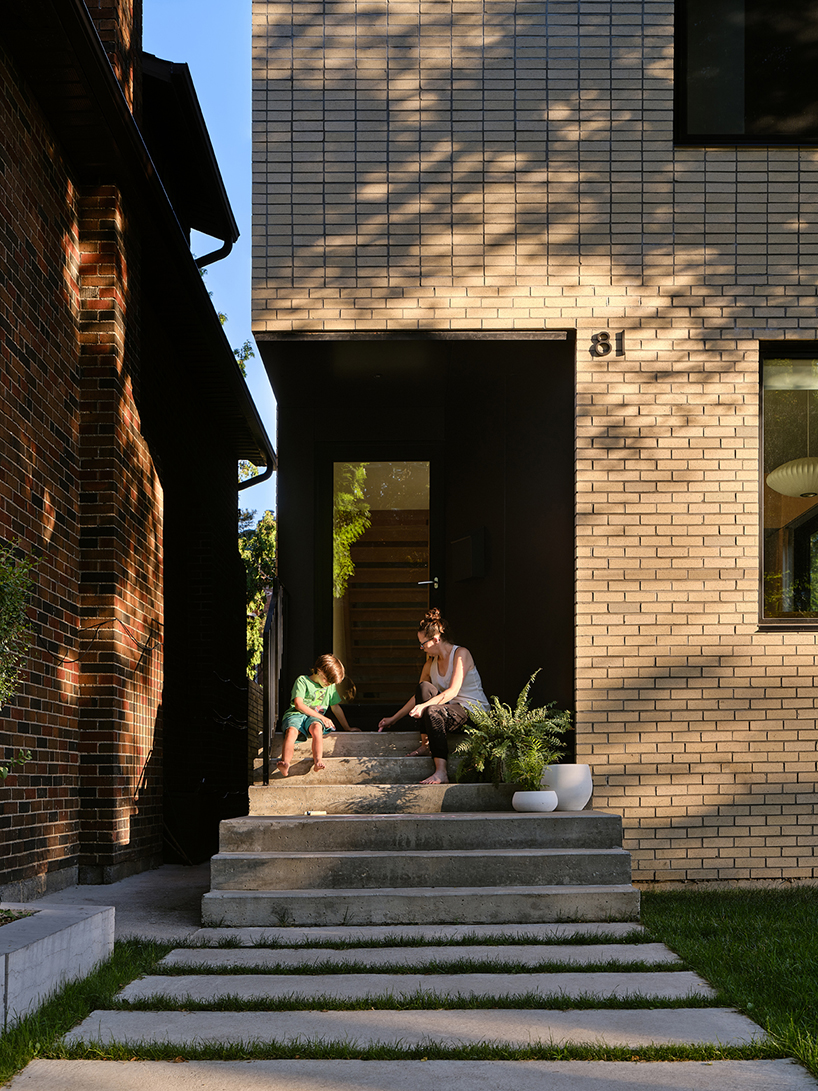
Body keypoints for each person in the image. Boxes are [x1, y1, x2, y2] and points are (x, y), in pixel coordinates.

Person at [377, 608, 489, 785]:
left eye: (423, 644)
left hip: (473, 712)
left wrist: (425, 706)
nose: (421, 648)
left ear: (436, 640)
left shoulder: (461, 654)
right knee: (423, 688)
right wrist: (394, 718)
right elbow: (418, 697)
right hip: (450, 710)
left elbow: (452, 691)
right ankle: (426, 745)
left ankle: (441, 772)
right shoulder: (430, 664)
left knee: (432, 710)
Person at [277, 654, 360, 776]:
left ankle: (318, 761)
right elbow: (298, 704)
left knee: (317, 728)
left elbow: (336, 707)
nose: (329, 684)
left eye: (332, 682)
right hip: (296, 715)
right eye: (327, 679)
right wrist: (322, 717)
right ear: (319, 671)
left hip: (314, 719)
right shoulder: (303, 681)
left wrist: (347, 728)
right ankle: (285, 763)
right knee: (292, 731)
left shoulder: (330, 687)